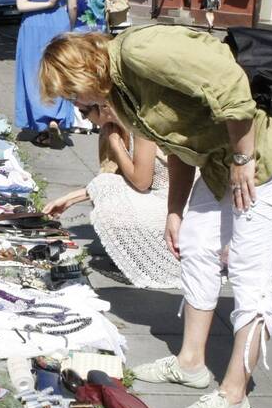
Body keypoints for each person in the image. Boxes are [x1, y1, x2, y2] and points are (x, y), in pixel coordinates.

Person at [38, 28, 272, 408]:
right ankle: (191, 362)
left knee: (250, 273)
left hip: (263, 159)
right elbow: (178, 145)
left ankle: (235, 395)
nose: (76, 106)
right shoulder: (122, 93)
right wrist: (174, 210)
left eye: (70, 93)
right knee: (196, 246)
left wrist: (243, 157)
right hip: (221, 163)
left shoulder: (139, 50)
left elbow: (230, 82)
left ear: (81, 72)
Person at [43, 102, 178, 289]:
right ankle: (135, 253)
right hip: (156, 197)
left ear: (105, 107)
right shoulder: (110, 129)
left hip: (176, 203)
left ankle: (151, 256)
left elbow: (140, 181)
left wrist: (116, 144)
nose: (84, 119)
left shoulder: (138, 126)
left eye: (84, 112)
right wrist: (68, 200)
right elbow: (109, 177)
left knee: (112, 207)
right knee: (107, 191)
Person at [14, 0, 75, 148]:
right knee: (59, 72)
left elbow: (21, 5)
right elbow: (73, 5)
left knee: (33, 74)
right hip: (60, 24)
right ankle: (56, 118)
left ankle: (43, 121)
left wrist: (45, 4)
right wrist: (70, 25)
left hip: (33, 25)